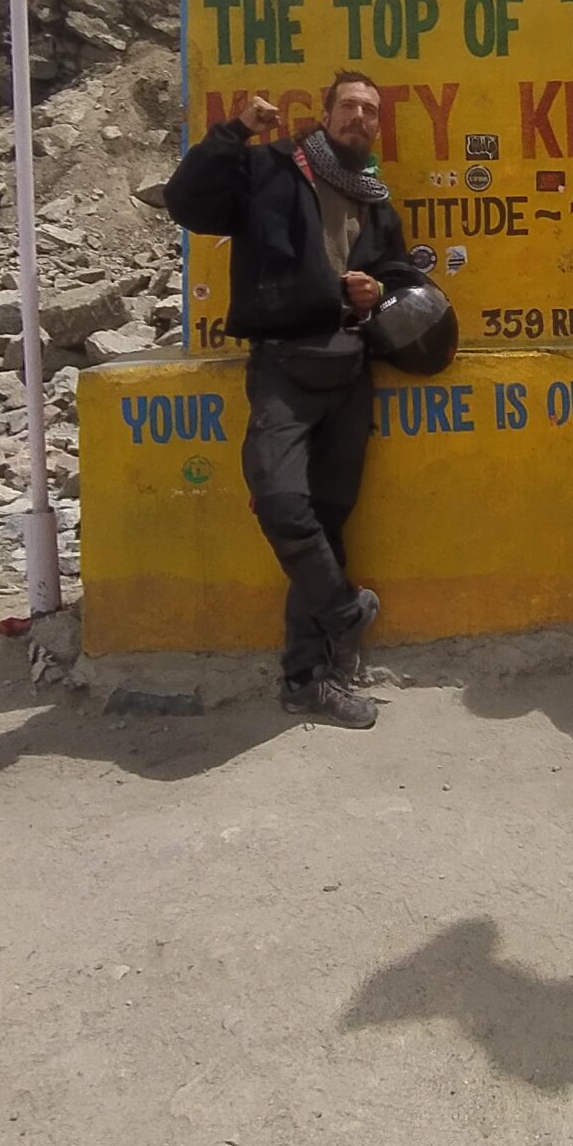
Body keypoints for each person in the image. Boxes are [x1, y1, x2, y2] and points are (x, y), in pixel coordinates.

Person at [164, 70, 424, 728]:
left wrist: (376, 294)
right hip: (282, 363)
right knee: (280, 500)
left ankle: (310, 678)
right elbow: (186, 203)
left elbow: (398, 276)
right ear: (325, 114)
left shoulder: (376, 199)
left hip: (350, 370)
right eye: (349, 106)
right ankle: (341, 611)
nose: (359, 117)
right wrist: (234, 132)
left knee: (328, 523)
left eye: (371, 109)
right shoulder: (269, 169)